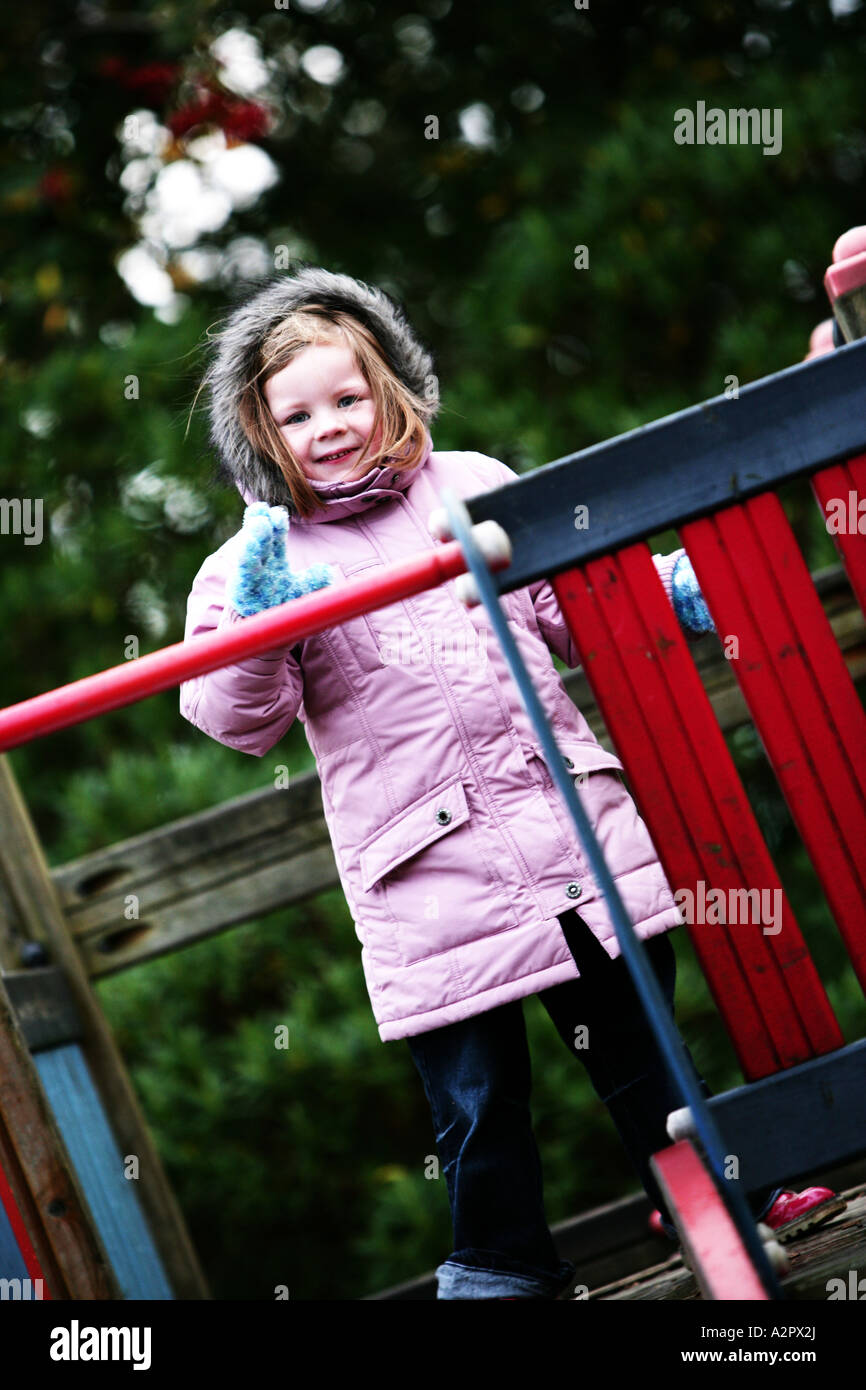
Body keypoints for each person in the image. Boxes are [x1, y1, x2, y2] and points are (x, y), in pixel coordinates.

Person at [179, 265, 842, 1299]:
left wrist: (672, 588)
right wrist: (262, 622)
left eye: (348, 397)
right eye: (297, 413)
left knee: (643, 1042)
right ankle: (502, 1265)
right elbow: (234, 720)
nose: (332, 426)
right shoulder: (251, 564)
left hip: (563, 821)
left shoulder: (470, 484)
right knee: (478, 1098)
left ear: (392, 390)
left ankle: (718, 1188)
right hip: (425, 874)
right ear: (260, 436)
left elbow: (584, 598)